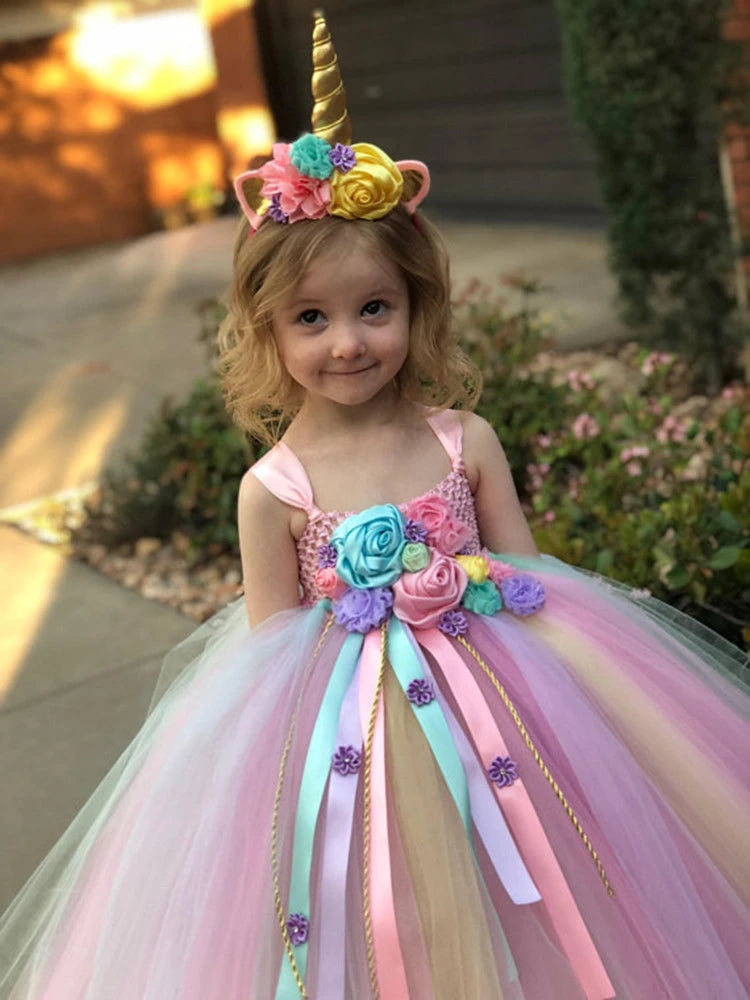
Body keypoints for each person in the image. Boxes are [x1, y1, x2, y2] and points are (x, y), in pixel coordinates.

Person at [1, 12, 748, 1000]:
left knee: (539, 880)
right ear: (267, 332)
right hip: (356, 750)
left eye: (373, 310)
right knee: (399, 911)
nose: (347, 342)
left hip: (508, 711)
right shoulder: (272, 491)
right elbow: (272, 662)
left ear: (416, 305)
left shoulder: (460, 441)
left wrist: (469, 588)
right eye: (312, 319)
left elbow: (535, 582)